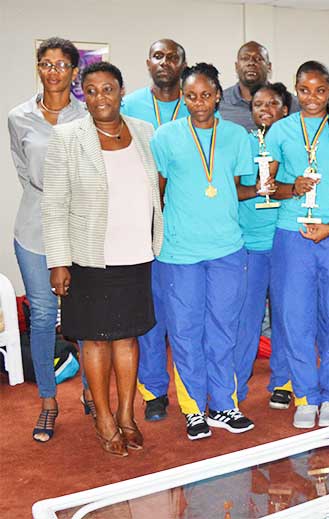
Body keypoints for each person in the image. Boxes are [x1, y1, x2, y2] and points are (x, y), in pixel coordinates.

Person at [42, 62, 163, 456]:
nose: (100, 98)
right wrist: (58, 260)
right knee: (95, 341)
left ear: (122, 90)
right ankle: (104, 418)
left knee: (128, 338)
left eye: (107, 89)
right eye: (91, 91)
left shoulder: (145, 133)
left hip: (135, 253)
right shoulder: (66, 138)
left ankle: (127, 415)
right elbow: (54, 204)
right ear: (83, 95)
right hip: (89, 257)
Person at [151, 63, 259, 441]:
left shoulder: (236, 136)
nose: (200, 103)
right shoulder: (165, 137)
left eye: (206, 95)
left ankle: (224, 404)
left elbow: (233, 186)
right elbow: (157, 191)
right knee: (185, 330)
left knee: (224, 329)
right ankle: (194, 408)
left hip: (227, 247)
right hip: (180, 250)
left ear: (217, 95)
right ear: (183, 97)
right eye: (191, 96)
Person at [264, 60, 329, 429]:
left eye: (321, 90)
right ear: (295, 89)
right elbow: (268, 186)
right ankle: (307, 395)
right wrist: (293, 188)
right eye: (304, 90)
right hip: (293, 234)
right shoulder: (280, 130)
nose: (312, 98)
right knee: (295, 317)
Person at [9, 37, 89, 443]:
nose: (53, 71)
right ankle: (48, 402)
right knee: (42, 317)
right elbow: (25, 172)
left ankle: (93, 393)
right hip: (34, 229)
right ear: (38, 68)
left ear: (74, 71)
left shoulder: (88, 114)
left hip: (79, 230)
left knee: (84, 318)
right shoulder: (18, 117)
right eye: (46, 63)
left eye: (61, 64)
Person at [120, 38, 189, 422]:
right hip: (141, 226)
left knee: (182, 315)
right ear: (148, 62)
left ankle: (190, 391)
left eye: (173, 56)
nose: (165, 62)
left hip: (183, 226)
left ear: (182, 64)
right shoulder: (129, 107)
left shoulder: (195, 105)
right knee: (150, 315)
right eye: (158, 56)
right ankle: (153, 392)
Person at [235, 82, 293, 408]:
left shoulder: (295, 142)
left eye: (273, 103)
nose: (265, 109)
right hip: (250, 245)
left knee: (286, 316)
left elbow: (300, 187)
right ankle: (236, 384)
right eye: (258, 104)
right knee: (247, 318)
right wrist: (258, 188)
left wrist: (280, 187)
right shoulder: (241, 144)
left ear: (285, 109)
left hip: (285, 242)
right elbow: (234, 190)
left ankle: (282, 381)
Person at [220, 41, 293, 131]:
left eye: (258, 59)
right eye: (245, 58)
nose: (251, 63)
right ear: (236, 66)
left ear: (269, 67)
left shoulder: (290, 102)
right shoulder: (220, 103)